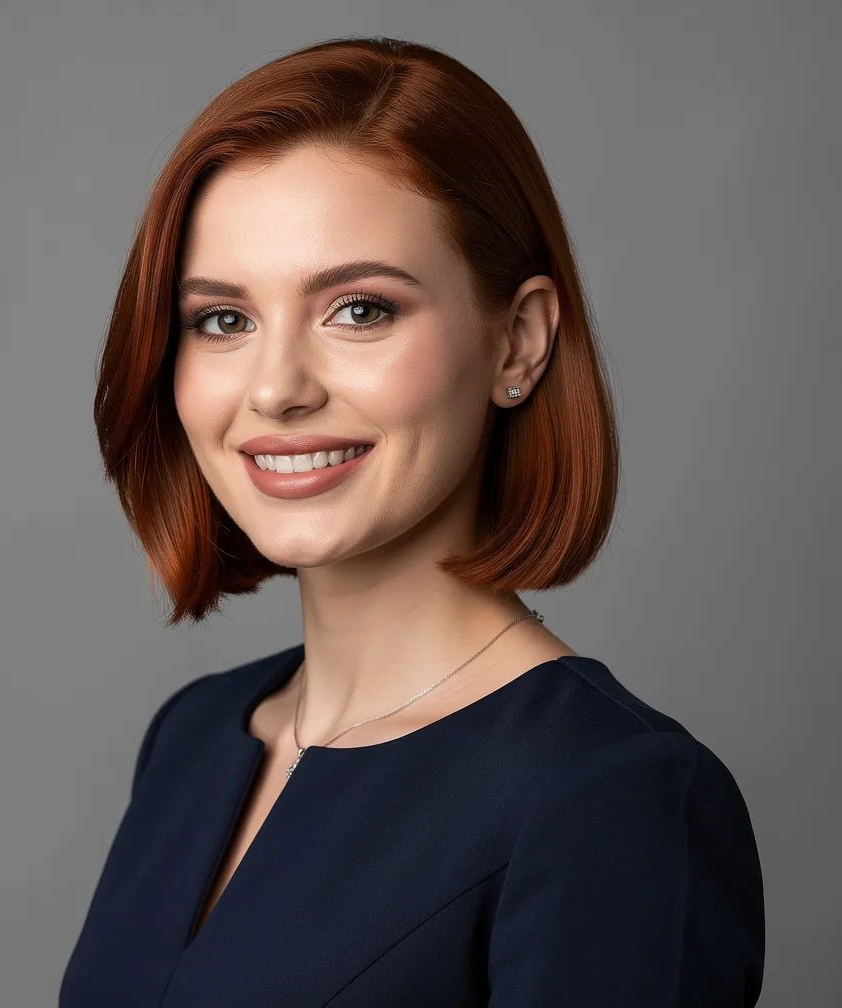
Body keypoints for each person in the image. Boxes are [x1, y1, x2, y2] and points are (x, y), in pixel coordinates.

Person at [59, 35, 764, 1007]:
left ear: (517, 342)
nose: (276, 390)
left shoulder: (610, 795)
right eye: (224, 320)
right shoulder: (193, 737)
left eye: (358, 309)